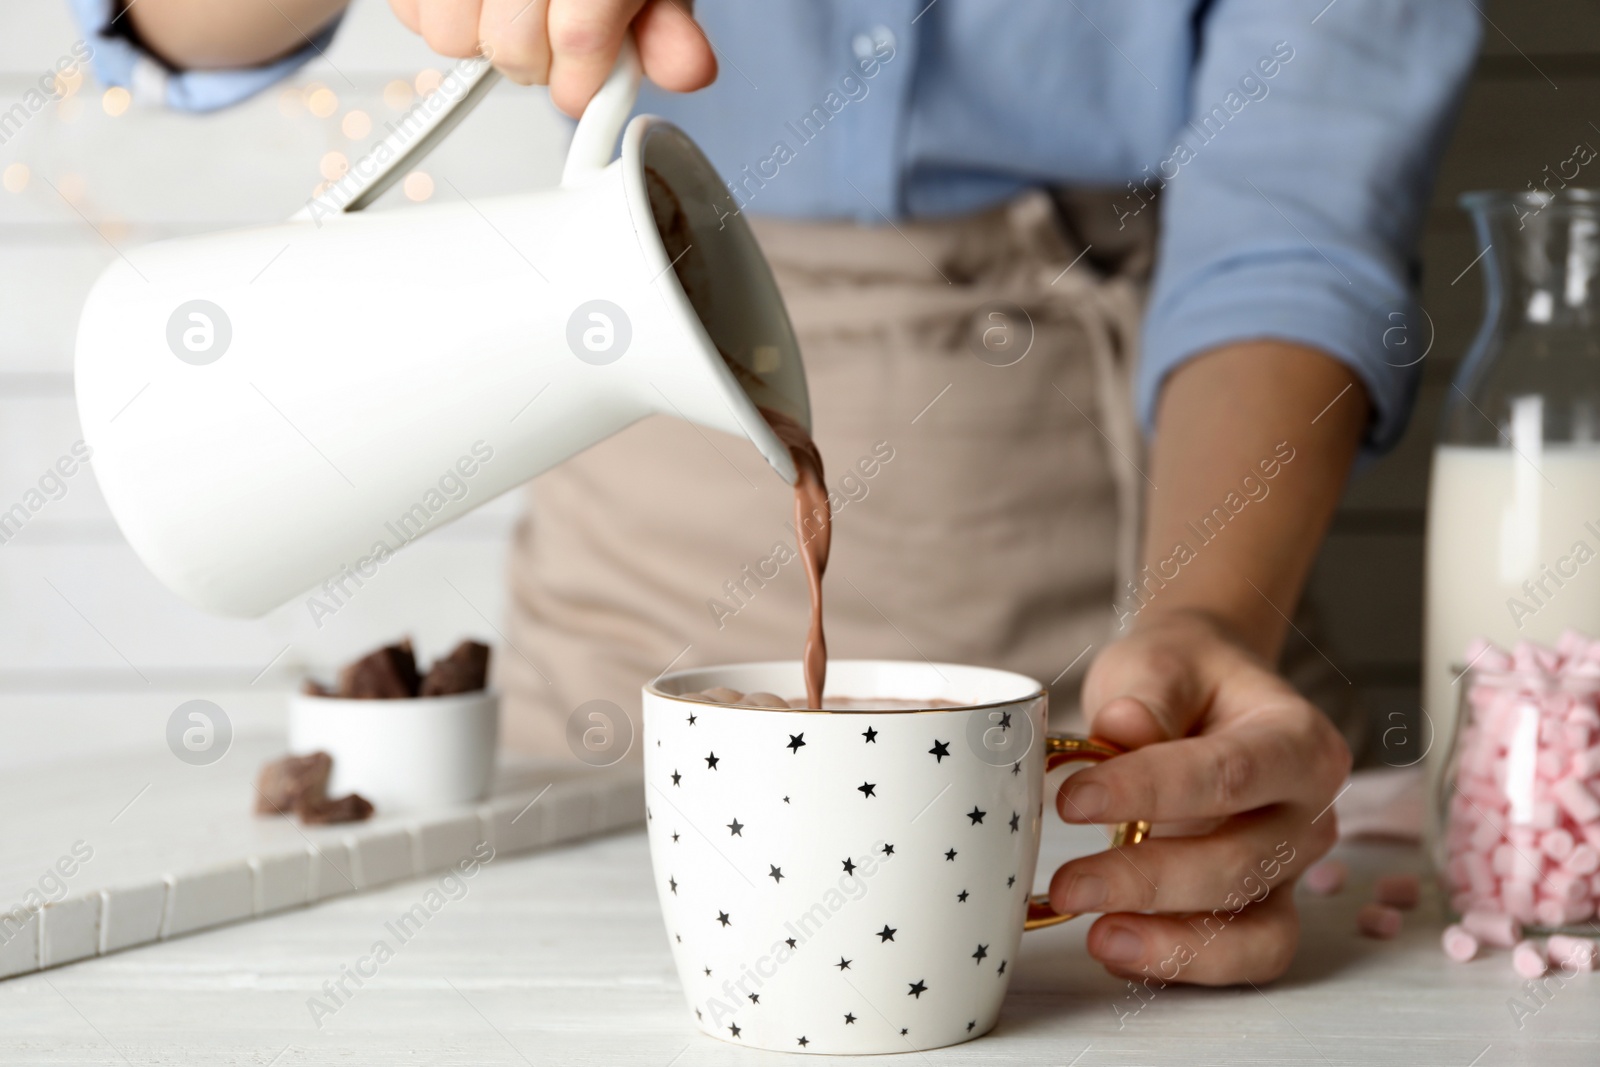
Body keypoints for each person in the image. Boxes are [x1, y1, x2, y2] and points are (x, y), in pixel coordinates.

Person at [69, 0, 1481, 986]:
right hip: (626, 561)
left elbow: (1291, 227)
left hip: (1129, 514)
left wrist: (1210, 619)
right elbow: (178, 24)